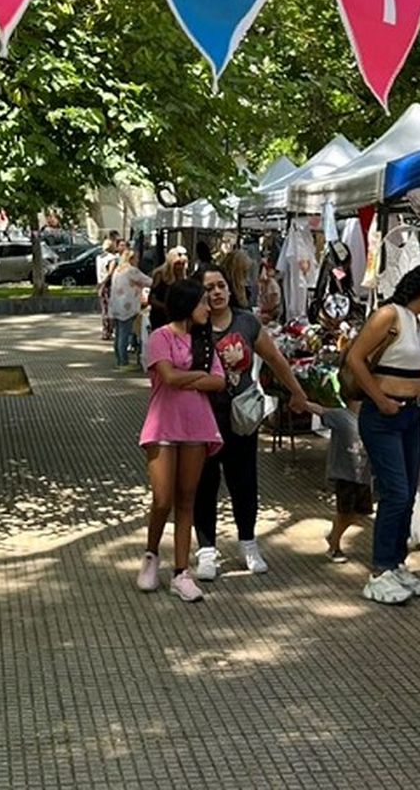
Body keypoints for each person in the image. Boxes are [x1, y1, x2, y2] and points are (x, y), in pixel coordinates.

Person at [193, 264, 311, 579]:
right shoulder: (194, 325)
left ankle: (248, 543)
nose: (216, 292)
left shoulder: (246, 322)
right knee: (205, 483)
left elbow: (274, 358)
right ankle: (206, 551)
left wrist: (297, 392)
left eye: (220, 285)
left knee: (243, 482)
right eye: (209, 288)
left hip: (242, 417)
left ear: (229, 289)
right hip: (204, 417)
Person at [342, 262, 420, 605]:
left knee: (408, 492)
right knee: (396, 491)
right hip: (383, 415)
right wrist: (380, 399)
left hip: (410, 414)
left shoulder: (416, 323)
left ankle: (397, 561)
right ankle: (381, 568)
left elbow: (407, 366)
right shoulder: (389, 315)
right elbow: (356, 357)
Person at [137, 278, 225, 602]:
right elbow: (169, 377)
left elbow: (219, 381)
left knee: (187, 498)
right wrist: (197, 378)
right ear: (188, 305)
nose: (208, 307)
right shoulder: (161, 337)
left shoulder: (204, 341)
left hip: (197, 426)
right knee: (162, 499)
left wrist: (193, 379)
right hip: (163, 426)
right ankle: (150, 555)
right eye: (203, 302)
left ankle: (180, 572)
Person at [299, 393, 371, 562]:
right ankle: (334, 547)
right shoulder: (341, 416)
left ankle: (333, 535)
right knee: (344, 511)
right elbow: (321, 410)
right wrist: (302, 401)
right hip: (345, 474)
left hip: (364, 474)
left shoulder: (371, 419)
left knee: (358, 513)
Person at [109, 250, 151, 368]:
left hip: (116, 306)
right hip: (127, 307)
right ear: (131, 259)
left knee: (118, 335)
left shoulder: (118, 270)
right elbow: (147, 281)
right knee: (124, 335)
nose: (138, 260)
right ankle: (124, 362)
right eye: (136, 258)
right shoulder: (132, 271)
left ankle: (119, 360)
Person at [149, 245, 189, 330]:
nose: (180, 267)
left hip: (175, 319)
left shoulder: (182, 278)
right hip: (159, 318)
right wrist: (165, 307)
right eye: (177, 264)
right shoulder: (159, 275)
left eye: (183, 264)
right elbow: (151, 299)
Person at [96, 238, 117, 341]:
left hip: (100, 283)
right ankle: (109, 330)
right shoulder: (111, 258)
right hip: (108, 285)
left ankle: (106, 331)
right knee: (110, 309)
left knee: (104, 309)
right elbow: (110, 273)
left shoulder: (99, 257)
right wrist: (104, 283)